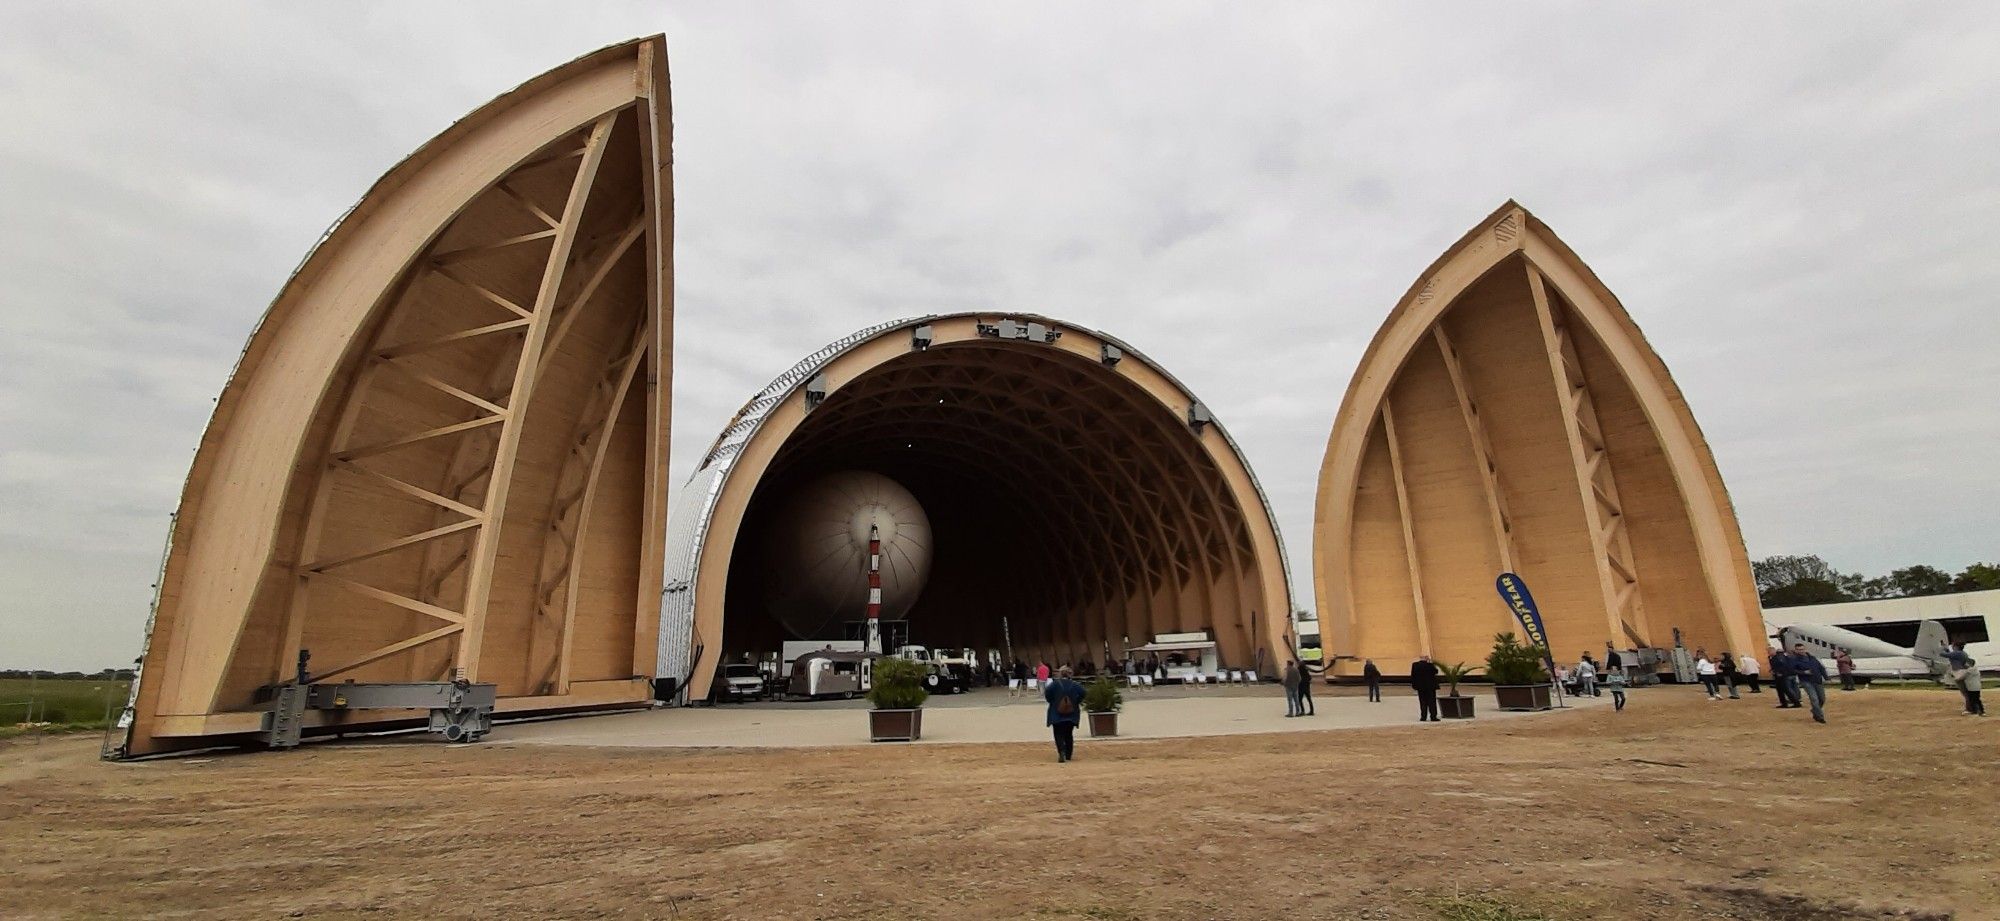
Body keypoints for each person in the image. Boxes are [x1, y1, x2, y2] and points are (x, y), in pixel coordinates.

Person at [1043, 666, 1087, 762]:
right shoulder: (1075, 685)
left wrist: (1052, 701)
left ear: (1060, 674)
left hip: (1056, 713)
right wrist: (1076, 701)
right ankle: (1068, 754)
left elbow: (1047, 693)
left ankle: (1061, 751)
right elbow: (1083, 692)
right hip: (1071, 713)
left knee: (1058, 733)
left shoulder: (1054, 684)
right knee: (1068, 734)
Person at [1784, 642, 1828, 723]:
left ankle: (1815, 710)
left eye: (1802, 649)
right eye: (1798, 650)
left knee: (1822, 699)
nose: (1801, 651)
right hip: (1806, 681)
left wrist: (1826, 677)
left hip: (1817, 680)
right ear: (1796, 650)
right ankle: (1820, 717)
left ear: (1804, 649)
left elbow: (1821, 667)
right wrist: (1804, 672)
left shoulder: (1812, 658)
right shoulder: (1794, 660)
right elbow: (1791, 670)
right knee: (1814, 699)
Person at [1944, 644, 1984, 716]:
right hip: (1976, 687)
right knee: (1976, 699)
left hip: (1972, 687)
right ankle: (1978, 711)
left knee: (1972, 698)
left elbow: (1962, 676)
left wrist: (1955, 679)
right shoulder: (1974, 669)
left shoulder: (1969, 670)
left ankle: (1975, 710)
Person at [1410, 654, 1441, 722]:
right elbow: (1436, 671)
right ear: (1426, 658)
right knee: (1432, 702)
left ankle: (1423, 717)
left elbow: (1413, 675)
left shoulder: (1415, 665)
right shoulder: (1429, 665)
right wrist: (1430, 663)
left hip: (1420, 687)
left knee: (1422, 702)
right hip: (1430, 687)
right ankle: (1433, 716)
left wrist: (1414, 685)